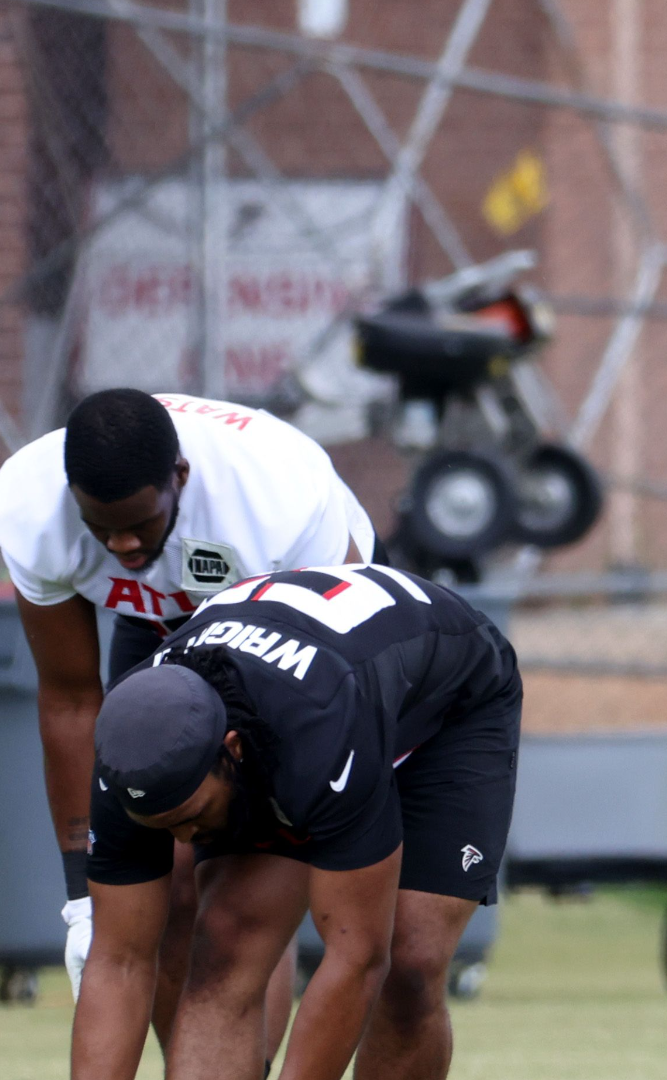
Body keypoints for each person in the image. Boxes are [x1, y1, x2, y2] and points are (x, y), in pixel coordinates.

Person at [0, 388, 374, 1055]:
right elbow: (70, 699)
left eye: (140, 523)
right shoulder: (30, 507)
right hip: (156, 622)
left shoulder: (277, 497)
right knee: (157, 887)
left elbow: (332, 676)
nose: (121, 542)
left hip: (293, 626)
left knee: (236, 890)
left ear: (179, 479)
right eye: (100, 525)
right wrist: (81, 902)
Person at [74, 562, 520, 1080]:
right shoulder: (126, 756)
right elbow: (118, 961)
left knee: (408, 965)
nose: (183, 840)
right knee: (224, 941)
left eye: (190, 818)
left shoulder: (319, 732)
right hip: (304, 695)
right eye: (162, 826)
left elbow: (356, 957)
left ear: (231, 751)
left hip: (447, 707)